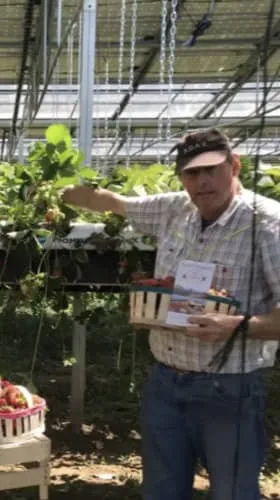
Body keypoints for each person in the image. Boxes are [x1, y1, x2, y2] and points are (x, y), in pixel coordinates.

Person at [61, 128, 280, 500]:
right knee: (162, 491)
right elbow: (121, 205)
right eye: (191, 173)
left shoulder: (268, 224)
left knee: (233, 493)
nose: (202, 182)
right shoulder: (176, 208)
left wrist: (239, 325)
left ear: (235, 166)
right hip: (166, 383)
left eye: (212, 170)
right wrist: (73, 194)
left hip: (229, 388)